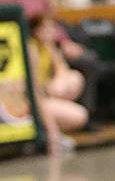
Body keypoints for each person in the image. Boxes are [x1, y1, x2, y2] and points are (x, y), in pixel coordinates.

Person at [0, 0, 100, 125]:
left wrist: (65, 42)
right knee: (50, 83)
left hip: (51, 47)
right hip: (28, 51)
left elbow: (54, 22)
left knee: (88, 61)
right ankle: (52, 118)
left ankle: (85, 118)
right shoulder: (6, 0)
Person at [27, 14, 89, 154]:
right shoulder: (31, 49)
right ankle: (50, 134)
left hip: (47, 95)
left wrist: (55, 87)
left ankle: (53, 129)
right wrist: (52, 134)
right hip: (34, 101)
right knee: (54, 105)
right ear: (36, 30)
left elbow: (63, 70)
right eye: (46, 28)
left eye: (52, 28)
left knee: (75, 80)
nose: (51, 31)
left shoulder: (49, 47)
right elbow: (33, 89)